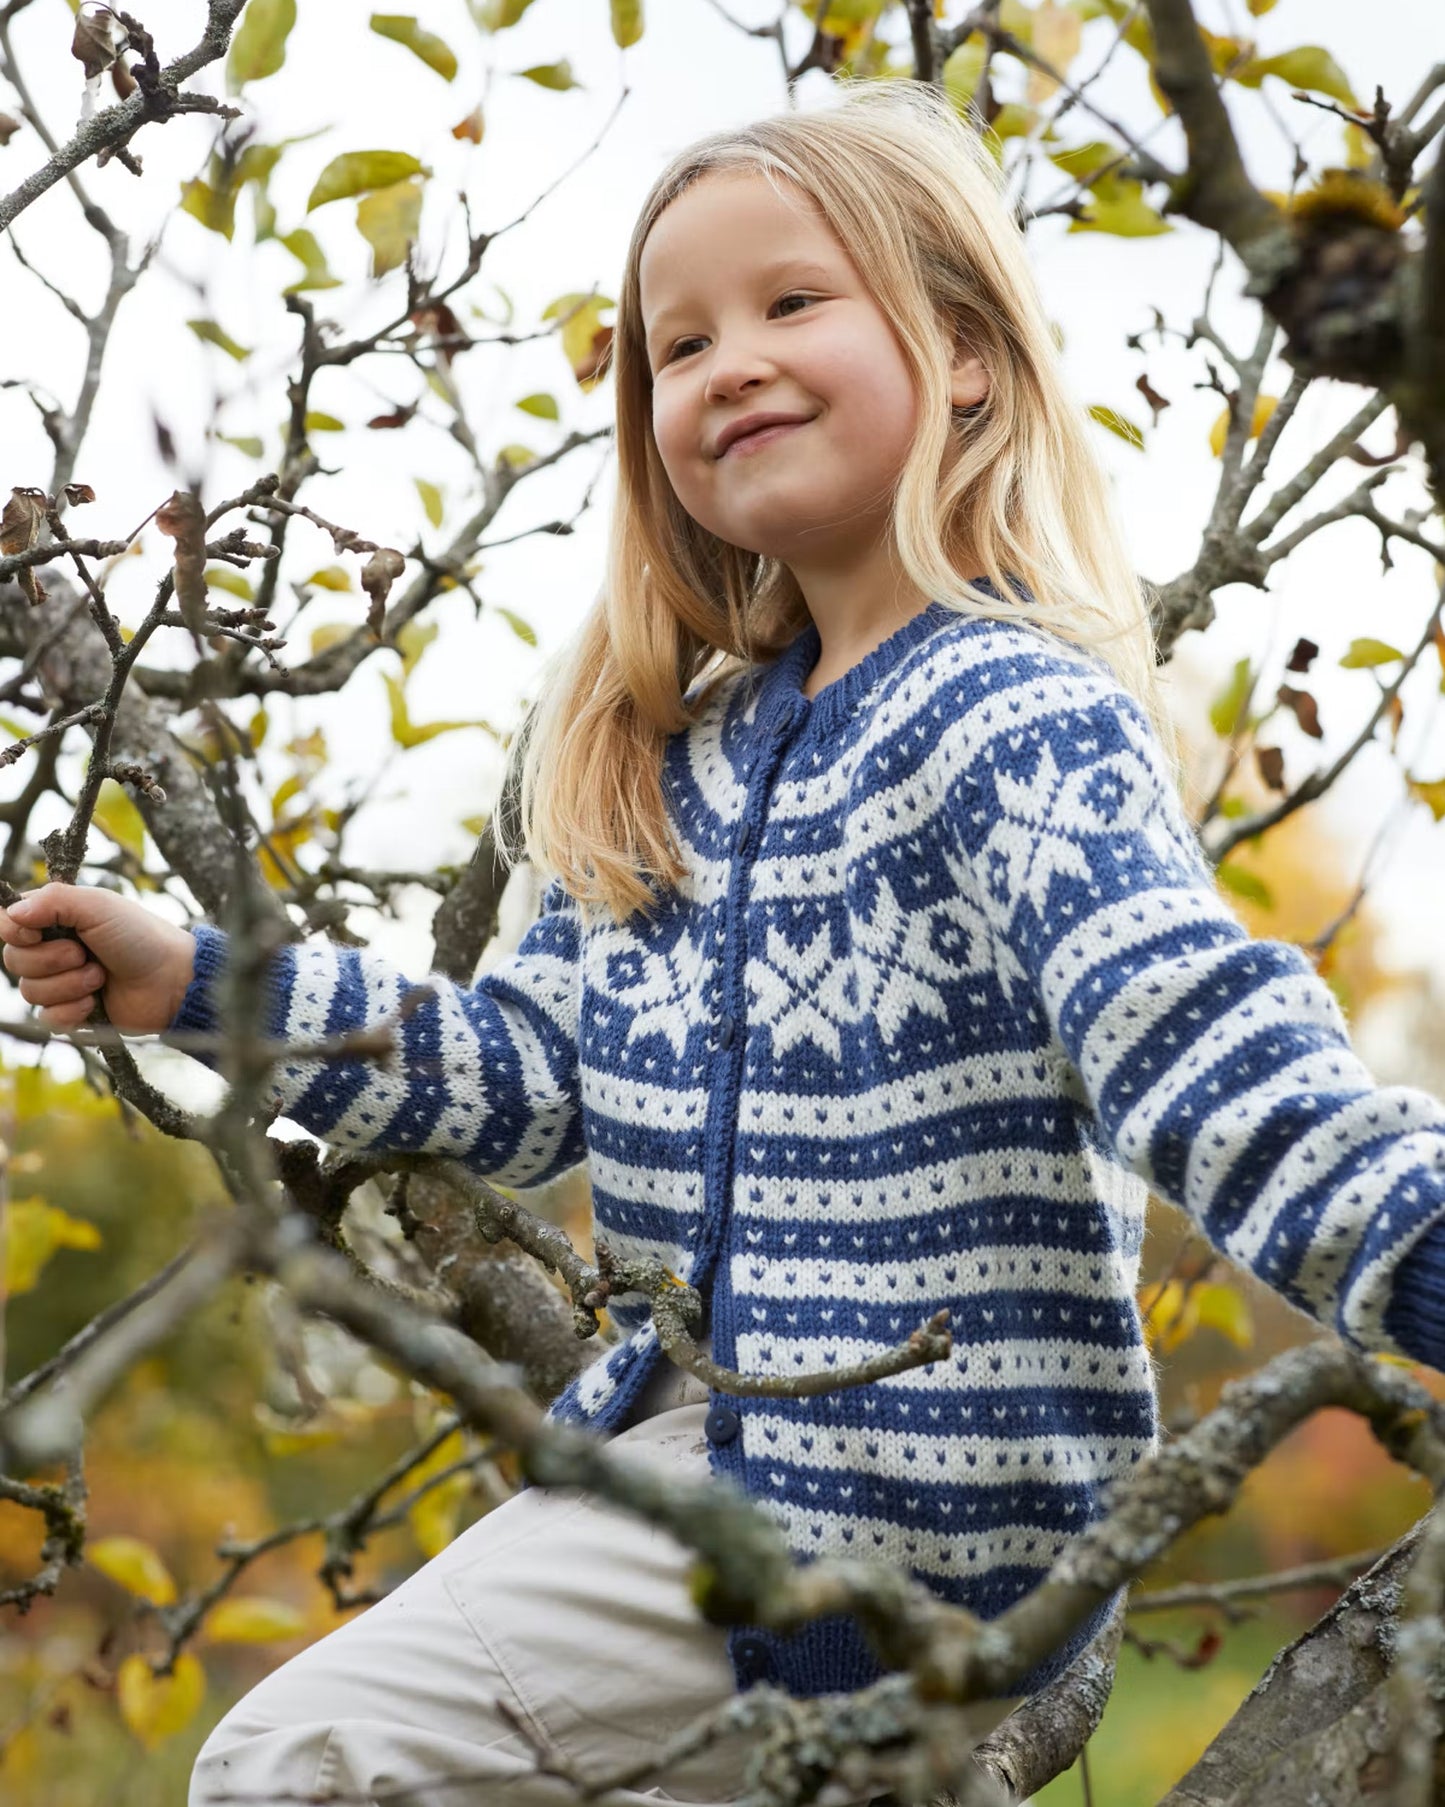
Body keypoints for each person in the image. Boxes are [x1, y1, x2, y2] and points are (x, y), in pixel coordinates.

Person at [2, 77, 1443, 1807]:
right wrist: (206, 987)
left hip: (911, 1489)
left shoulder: (1010, 717)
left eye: (789, 303)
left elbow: (1205, 1055)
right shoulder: (670, 755)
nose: (727, 362)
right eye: (676, 346)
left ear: (966, 351)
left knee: (307, 1756)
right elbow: (530, 1081)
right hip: (722, 1465)